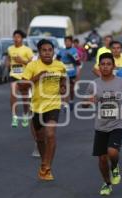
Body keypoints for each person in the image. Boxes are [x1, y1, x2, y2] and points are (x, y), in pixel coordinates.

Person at [84, 52, 122, 196]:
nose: (105, 67)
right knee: (102, 159)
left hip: (118, 123)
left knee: (112, 151)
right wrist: (88, 102)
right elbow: (85, 102)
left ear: (113, 66)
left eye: (108, 64)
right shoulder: (94, 84)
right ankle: (107, 183)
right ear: (99, 66)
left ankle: (115, 167)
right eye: (102, 64)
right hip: (101, 125)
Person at [20, 39, 67, 180]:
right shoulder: (32, 66)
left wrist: (62, 87)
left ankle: (47, 167)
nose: (47, 53)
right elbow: (22, 86)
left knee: (50, 134)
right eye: (44, 50)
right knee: (40, 139)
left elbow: (63, 79)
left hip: (53, 105)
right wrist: (37, 77)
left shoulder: (59, 65)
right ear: (39, 52)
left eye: (50, 50)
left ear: (53, 52)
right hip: (37, 106)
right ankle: (43, 163)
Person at [6, 30, 34, 128]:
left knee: (25, 98)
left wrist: (22, 61)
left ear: (22, 39)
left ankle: (25, 115)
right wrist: (8, 64)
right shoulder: (10, 48)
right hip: (14, 75)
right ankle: (14, 117)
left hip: (25, 76)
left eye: (18, 37)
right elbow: (8, 59)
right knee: (13, 95)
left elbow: (32, 64)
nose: (16, 39)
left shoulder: (27, 50)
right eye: (14, 37)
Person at [57, 36, 80, 111]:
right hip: (63, 73)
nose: (67, 43)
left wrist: (71, 56)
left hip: (72, 73)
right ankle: (64, 105)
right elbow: (57, 59)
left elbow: (78, 62)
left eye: (68, 41)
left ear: (71, 42)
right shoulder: (61, 51)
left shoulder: (74, 50)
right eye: (66, 41)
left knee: (71, 89)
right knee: (64, 89)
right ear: (64, 42)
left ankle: (71, 101)